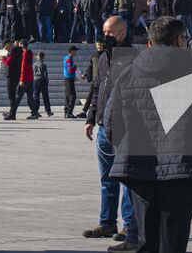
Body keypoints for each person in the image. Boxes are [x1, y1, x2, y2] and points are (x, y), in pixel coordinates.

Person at [104, 16, 192, 253]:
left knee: (147, 242)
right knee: (174, 242)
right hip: (181, 169)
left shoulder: (128, 73)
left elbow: (110, 122)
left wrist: (127, 148)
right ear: (178, 40)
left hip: (139, 168)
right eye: (185, 38)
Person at [83, 15, 137, 249]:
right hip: (104, 128)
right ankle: (107, 223)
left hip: (126, 129)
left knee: (127, 180)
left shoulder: (134, 58)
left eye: (110, 33)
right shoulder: (103, 57)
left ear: (123, 32)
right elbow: (98, 88)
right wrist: (91, 118)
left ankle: (129, 225)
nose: (106, 37)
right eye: (104, 32)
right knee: (106, 180)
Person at [62, 45, 81, 118]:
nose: (76, 52)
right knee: (73, 96)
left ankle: (66, 111)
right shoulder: (69, 59)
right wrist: (75, 68)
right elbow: (70, 70)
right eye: (75, 51)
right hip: (69, 78)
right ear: (72, 51)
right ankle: (69, 112)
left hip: (67, 78)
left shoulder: (66, 58)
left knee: (67, 96)